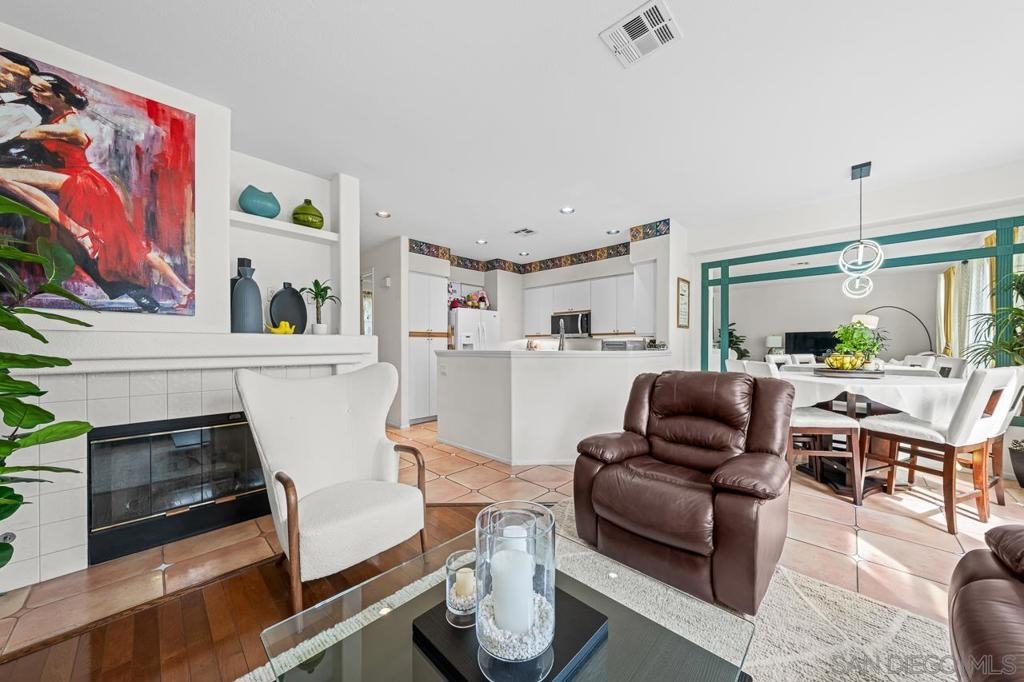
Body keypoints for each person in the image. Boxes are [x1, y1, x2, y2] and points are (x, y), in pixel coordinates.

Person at [0, 71, 193, 311]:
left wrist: (28, 132)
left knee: (127, 249)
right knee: (127, 248)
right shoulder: (54, 116)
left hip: (83, 183)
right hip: (78, 180)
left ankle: (77, 230)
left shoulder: (70, 123)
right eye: (32, 87)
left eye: (40, 89)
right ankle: (181, 288)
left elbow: (74, 137)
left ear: (60, 96)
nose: (32, 92)